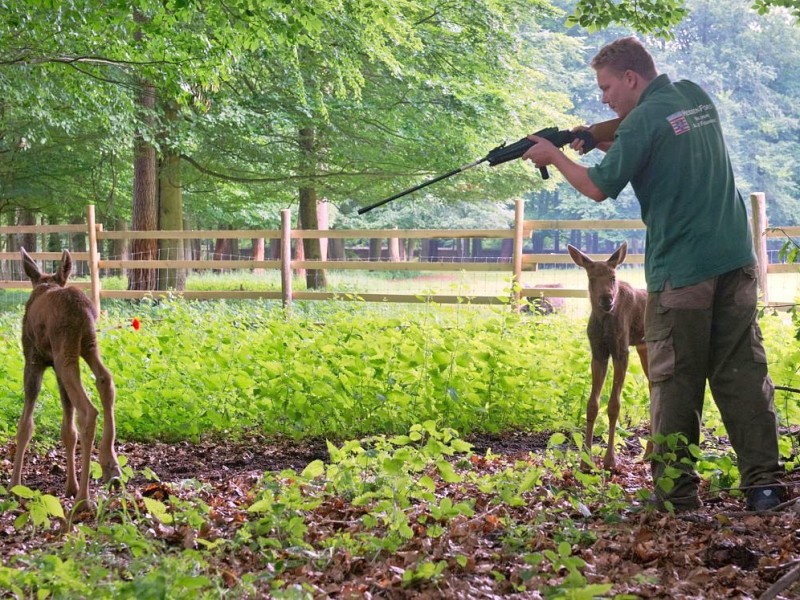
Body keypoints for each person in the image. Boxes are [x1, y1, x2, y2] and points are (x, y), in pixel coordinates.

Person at [523, 36, 785, 512]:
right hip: (735, 258)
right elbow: (649, 133)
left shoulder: (640, 121)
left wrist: (555, 155)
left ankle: (674, 495)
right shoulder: (692, 96)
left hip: (683, 272)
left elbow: (597, 187)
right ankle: (766, 486)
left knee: (672, 378)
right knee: (742, 372)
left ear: (631, 78)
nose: (604, 97)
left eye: (607, 88)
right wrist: (593, 134)